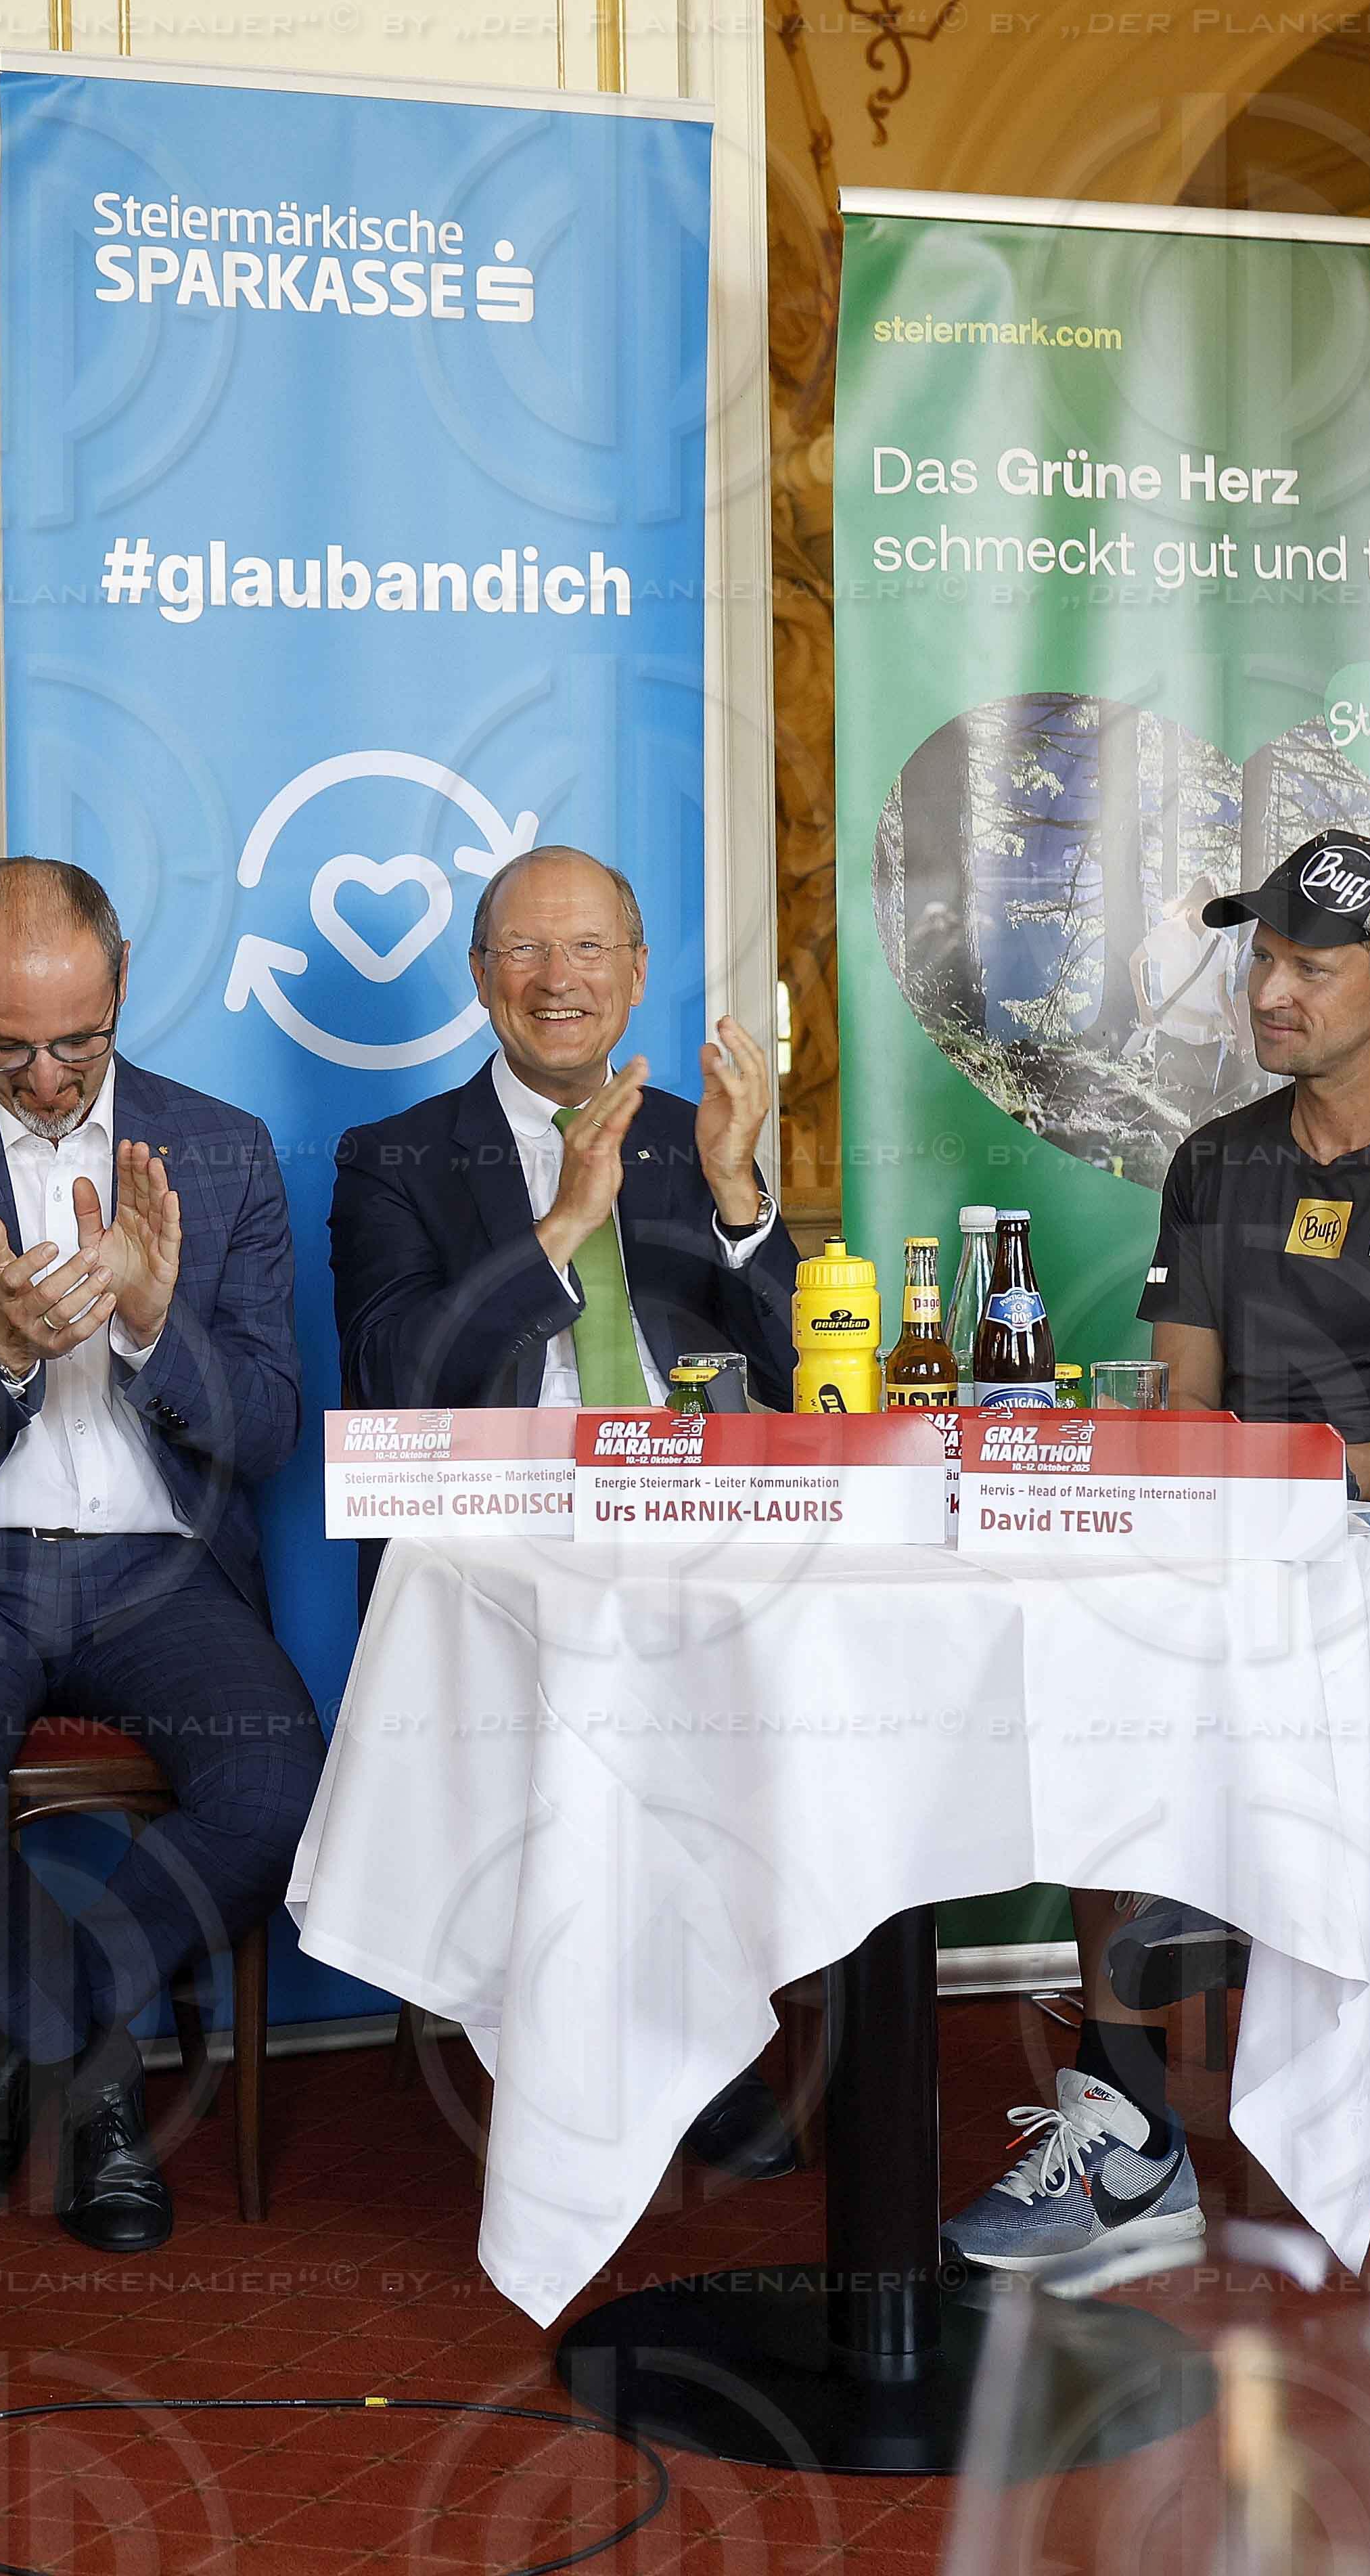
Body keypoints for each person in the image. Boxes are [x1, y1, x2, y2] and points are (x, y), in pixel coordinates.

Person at [942, 830, 1370, 2292]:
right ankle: (1136, 2128)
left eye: (1313, 961)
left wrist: (1329, 1472)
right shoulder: (1215, 1161)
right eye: (1262, 956)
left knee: (1185, 1691)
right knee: (1101, 1662)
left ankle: (1192, 1919)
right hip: (1240, 1545)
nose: (1271, 987)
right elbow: (1180, 1402)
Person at [0, 857, 321, 2254]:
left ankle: (11, 2061)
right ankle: (99, 2092)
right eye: (4, 1047)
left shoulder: (220, 1149)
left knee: (280, 1788)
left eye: (74, 1043)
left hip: (160, 1571)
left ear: (124, 982)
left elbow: (267, 1428)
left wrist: (156, 1329)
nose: (42, 1078)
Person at [323, 843, 805, 2182]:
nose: (559, 979)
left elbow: (796, 1371)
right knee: (598, 1674)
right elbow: (396, 1376)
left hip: (687, 1515)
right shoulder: (396, 1154)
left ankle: (704, 2024)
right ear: (482, 978)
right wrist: (559, 1226)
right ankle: (569, 2038)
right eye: (526, 952)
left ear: (639, 972)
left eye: (589, 949)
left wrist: (735, 1191)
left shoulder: (689, 1132)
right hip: (499, 1527)